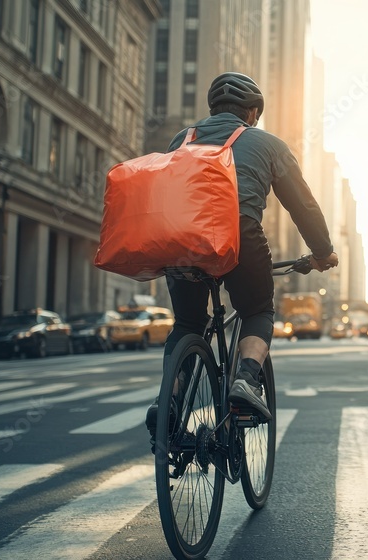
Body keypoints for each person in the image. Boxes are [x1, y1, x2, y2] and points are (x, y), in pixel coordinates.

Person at [146, 72, 339, 432]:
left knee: (187, 323)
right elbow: (303, 207)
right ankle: (247, 380)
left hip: (181, 241)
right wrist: (322, 252)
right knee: (258, 310)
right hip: (238, 235)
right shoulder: (268, 145)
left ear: (212, 110)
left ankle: (168, 400)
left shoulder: (180, 139)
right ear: (252, 113)